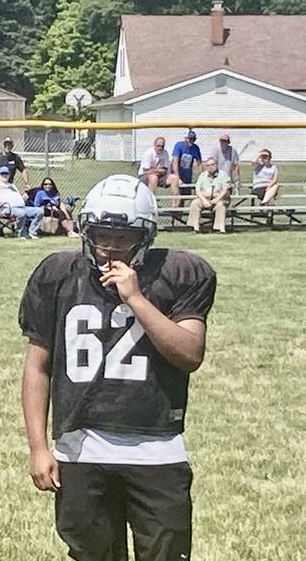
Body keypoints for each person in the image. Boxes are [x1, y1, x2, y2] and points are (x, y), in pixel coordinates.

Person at [20, 174, 216, 561]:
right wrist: (38, 447)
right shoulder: (58, 274)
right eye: (100, 234)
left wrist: (137, 298)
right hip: (81, 449)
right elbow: (37, 366)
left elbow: (190, 354)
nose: (109, 246)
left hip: (157, 449)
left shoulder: (179, 274)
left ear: (145, 236)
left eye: (122, 236)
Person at [0, 165, 42, 239]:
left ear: (9, 175)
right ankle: (21, 233)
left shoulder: (12, 185)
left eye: (6, 173)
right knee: (21, 213)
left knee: (39, 211)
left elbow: (18, 197)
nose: (4, 175)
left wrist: (24, 197)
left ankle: (32, 232)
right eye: (2, 173)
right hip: (7, 208)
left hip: (22, 207)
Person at [186, 157, 231, 233]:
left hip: (220, 199)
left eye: (213, 164)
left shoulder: (223, 175)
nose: (211, 167)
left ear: (216, 165)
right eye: (208, 165)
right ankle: (194, 227)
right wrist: (204, 201)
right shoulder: (202, 175)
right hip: (205, 199)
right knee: (195, 203)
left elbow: (225, 190)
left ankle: (219, 229)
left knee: (220, 205)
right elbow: (197, 190)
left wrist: (216, 199)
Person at [138, 136, 180, 206]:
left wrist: (157, 171)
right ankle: (151, 202)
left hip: (160, 175)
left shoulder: (165, 153)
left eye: (162, 146)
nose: (160, 148)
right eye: (158, 146)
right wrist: (159, 170)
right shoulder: (149, 153)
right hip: (144, 176)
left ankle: (175, 203)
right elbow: (145, 170)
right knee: (154, 177)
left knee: (175, 178)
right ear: (154, 145)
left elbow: (165, 170)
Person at [171, 130, 202, 194]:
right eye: (190, 139)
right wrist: (177, 177)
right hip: (178, 173)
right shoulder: (179, 146)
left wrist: (202, 177)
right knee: (177, 196)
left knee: (185, 195)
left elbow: (200, 164)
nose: (192, 141)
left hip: (187, 175)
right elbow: (175, 162)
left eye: (193, 139)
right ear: (185, 138)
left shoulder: (195, 148)